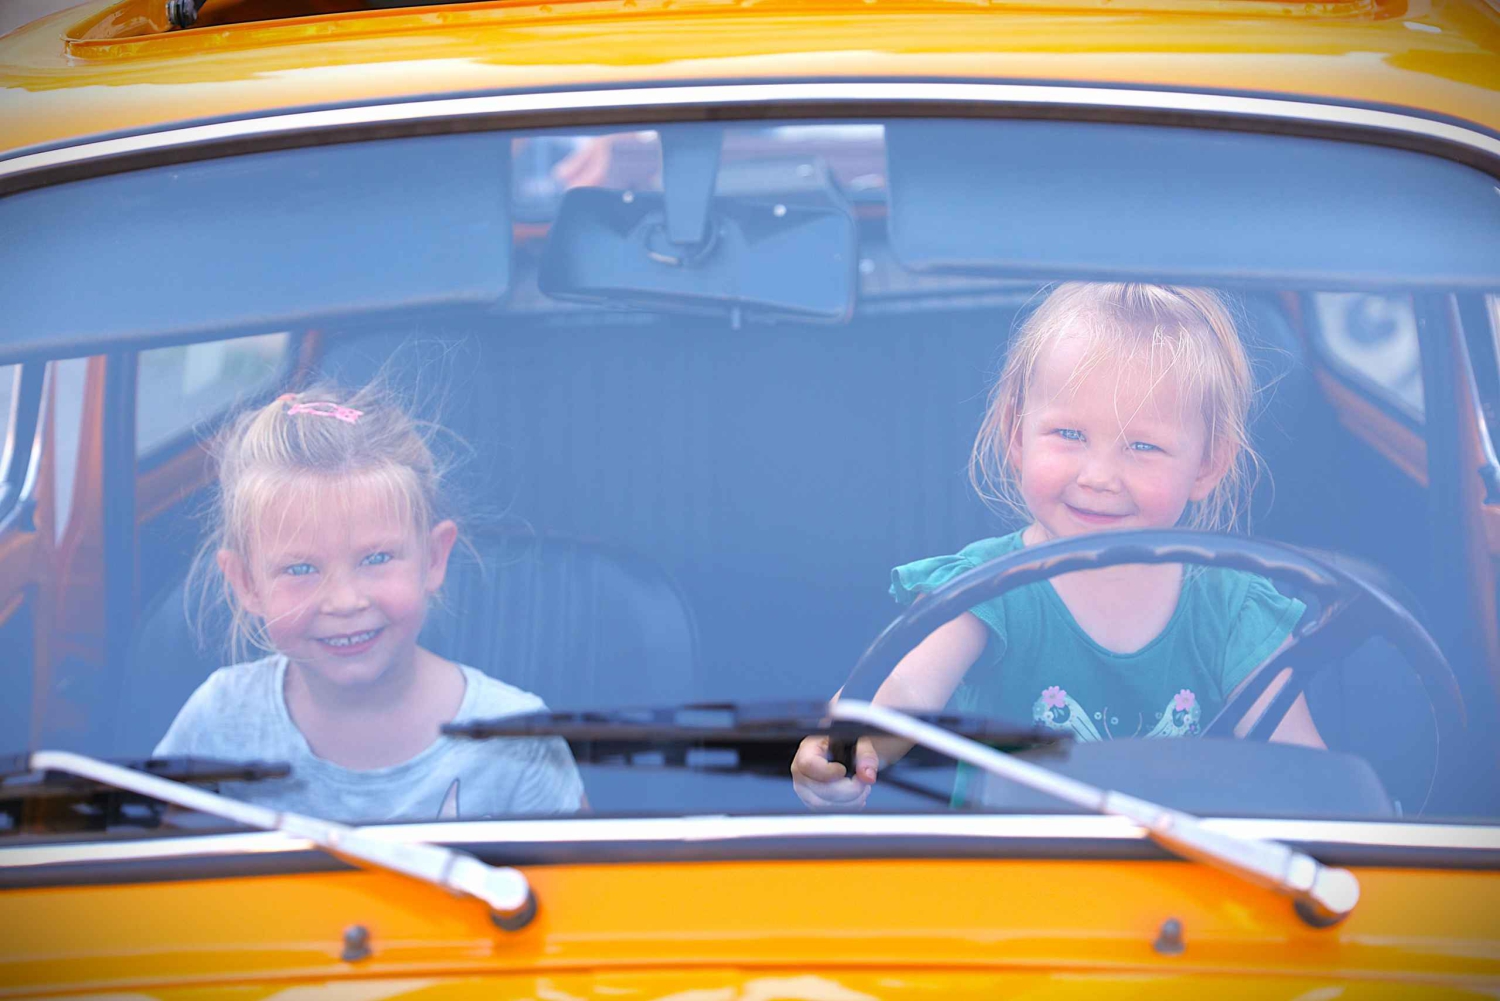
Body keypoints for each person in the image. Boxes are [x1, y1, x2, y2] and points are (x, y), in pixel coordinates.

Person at [792, 282, 1322, 810]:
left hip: (1188, 862)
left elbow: (1304, 772)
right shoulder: (984, 589)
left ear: (1207, 465)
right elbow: (903, 691)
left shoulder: (1233, 605)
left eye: (1143, 446)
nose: (1098, 476)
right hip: (1021, 857)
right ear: (1016, 435)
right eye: (1069, 434)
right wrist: (848, 751)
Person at [154, 384, 584, 822]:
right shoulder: (219, 720)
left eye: (376, 559)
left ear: (434, 559)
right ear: (247, 583)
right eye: (300, 568)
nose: (344, 602)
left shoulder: (517, 741)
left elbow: (578, 867)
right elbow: (151, 852)